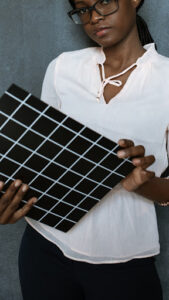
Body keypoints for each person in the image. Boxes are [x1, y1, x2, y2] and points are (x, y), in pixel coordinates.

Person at [0, 0, 169, 299]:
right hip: (44, 248)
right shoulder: (62, 68)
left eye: (104, 1)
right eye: (83, 9)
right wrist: (8, 197)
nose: (94, 17)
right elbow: (38, 160)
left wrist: (143, 183)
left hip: (122, 260)